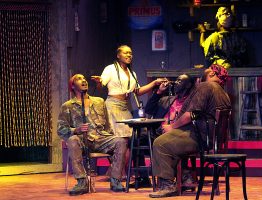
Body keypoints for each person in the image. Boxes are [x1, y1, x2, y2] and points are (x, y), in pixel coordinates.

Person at [149, 64, 231, 198]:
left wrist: (172, 126)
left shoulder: (207, 86)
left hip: (200, 138)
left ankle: (168, 186)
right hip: (211, 139)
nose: (204, 70)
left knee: (160, 143)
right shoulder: (224, 92)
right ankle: (186, 177)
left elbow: (190, 114)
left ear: (211, 74)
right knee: (171, 140)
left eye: (208, 69)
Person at [91, 45, 165, 185]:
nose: (129, 55)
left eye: (131, 53)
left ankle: (121, 172)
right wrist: (98, 82)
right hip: (113, 105)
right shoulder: (110, 69)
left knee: (131, 140)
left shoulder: (132, 73)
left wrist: (155, 83)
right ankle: (119, 173)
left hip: (126, 106)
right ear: (118, 55)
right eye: (126, 53)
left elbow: (137, 91)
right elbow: (102, 84)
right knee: (121, 140)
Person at [57, 74, 127, 196]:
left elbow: (108, 126)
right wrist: (76, 130)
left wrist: (109, 137)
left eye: (84, 78)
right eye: (79, 79)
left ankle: (115, 180)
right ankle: (82, 181)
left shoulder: (99, 101)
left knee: (120, 141)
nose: (83, 80)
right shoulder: (67, 106)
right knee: (72, 140)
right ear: (72, 86)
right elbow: (61, 129)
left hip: (100, 138)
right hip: (81, 141)